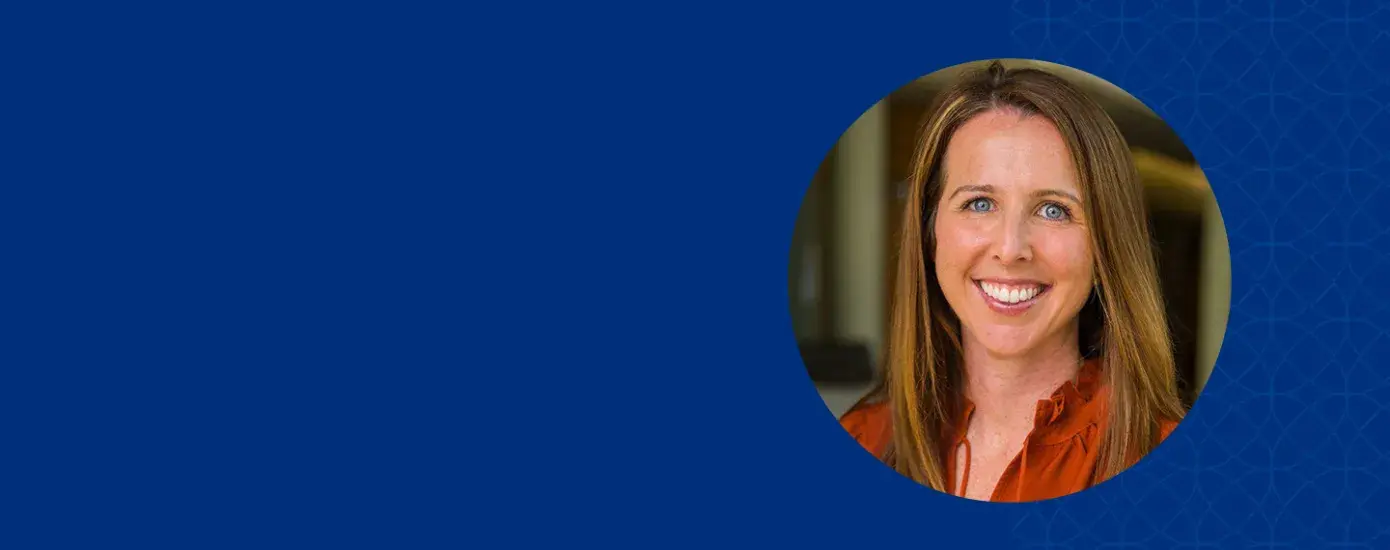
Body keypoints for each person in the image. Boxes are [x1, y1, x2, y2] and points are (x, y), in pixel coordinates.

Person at [839, 61, 1185, 502]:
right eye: (980, 204)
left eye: (1054, 210)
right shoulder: (860, 439)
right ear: (931, 233)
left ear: (1106, 247)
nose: (1010, 248)